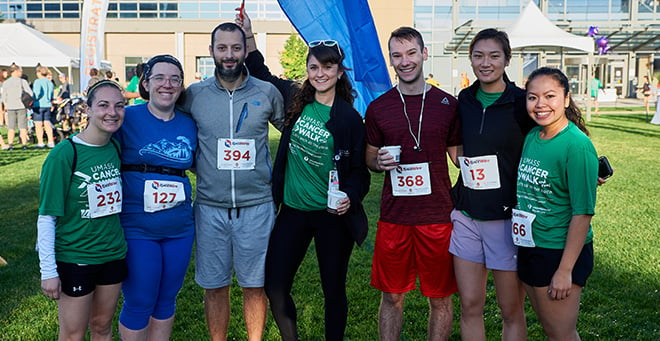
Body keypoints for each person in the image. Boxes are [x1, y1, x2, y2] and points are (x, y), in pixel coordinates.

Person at [237, 9, 370, 340]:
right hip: (293, 212)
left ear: (339, 72)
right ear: (308, 70)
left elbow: (359, 174)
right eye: (314, 67)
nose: (320, 73)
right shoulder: (295, 99)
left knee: (333, 291)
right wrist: (249, 35)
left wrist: (350, 197)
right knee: (276, 285)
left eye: (328, 67)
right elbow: (260, 72)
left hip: (331, 218)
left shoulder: (350, 120)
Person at [180, 22, 285, 341]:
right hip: (210, 208)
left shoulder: (267, 93)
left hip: (256, 207)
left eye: (236, 48)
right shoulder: (194, 95)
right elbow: (173, 129)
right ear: (211, 51)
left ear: (245, 51)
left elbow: (292, 134)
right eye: (222, 48)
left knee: (254, 286)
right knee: (215, 287)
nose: (229, 55)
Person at [364, 26, 460, 340]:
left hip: (438, 217)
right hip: (395, 218)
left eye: (411, 53)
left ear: (424, 54)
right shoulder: (378, 108)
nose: (404, 61)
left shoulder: (448, 104)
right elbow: (370, 158)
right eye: (397, 55)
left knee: (440, 298)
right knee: (392, 296)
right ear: (391, 59)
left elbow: (460, 157)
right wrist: (378, 162)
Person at [449, 28, 532, 341]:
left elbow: (560, 133)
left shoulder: (522, 101)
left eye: (494, 56)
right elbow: (455, 144)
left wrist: (588, 168)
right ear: (471, 59)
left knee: (510, 309)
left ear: (507, 60)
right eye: (478, 55)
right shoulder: (464, 100)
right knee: (470, 305)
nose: (486, 63)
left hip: (507, 220)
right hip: (467, 215)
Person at [36, 79, 127, 340]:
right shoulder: (65, 154)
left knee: (102, 327)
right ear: (87, 110)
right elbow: (46, 217)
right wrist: (49, 271)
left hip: (112, 254)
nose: (112, 112)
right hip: (76, 258)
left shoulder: (115, 148)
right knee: (73, 334)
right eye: (103, 105)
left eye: (119, 106)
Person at [114, 54, 197, 341]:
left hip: (180, 229)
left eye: (175, 79)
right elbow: (95, 148)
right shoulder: (127, 117)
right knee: (140, 299)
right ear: (146, 83)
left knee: (166, 298)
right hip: (137, 229)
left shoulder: (189, 123)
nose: (167, 84)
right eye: (159, 78)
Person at [516, 67, 598, 340]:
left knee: (561, 334)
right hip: (531, 245)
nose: (540, 105)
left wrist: (565, 271)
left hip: (559, 252)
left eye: (550, 96)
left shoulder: (577, 145)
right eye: (532, 97)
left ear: (566, 99)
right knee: (551, 330)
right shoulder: (533, 136)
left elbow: (583, 213)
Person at [1, 64, 32, 150]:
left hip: (10, 107)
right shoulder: (23, 82)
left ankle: (10, 144)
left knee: (11, 127)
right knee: (23, 127)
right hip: (22, 106)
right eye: (20, 71)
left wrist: (5, 105)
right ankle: (24, 144)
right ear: (16, 71)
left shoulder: (6, 82)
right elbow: (30, 93)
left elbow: (4, 96)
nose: (21, 73)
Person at [32, 66, 56, 148]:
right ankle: (50, 141)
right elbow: (52, 95)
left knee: (38, 124)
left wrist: (33, 99)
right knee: (47, 123)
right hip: (48, 104)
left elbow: (37, 93)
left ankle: (41, 142)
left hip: (38, 105)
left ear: (39, 73)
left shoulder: (38, 82)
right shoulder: (50, 82)